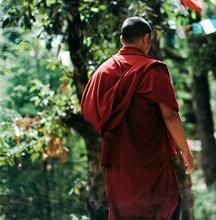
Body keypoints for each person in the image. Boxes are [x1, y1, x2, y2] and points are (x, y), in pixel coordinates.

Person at [81, 17, 194, 220]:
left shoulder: (102, 73)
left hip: (118, 163)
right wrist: (185, 151)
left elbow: (90, 112)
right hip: (152, 163)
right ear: (146, 39)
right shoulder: (152, 70)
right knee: (163, 211)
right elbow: (169, 115)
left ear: (121, 39)